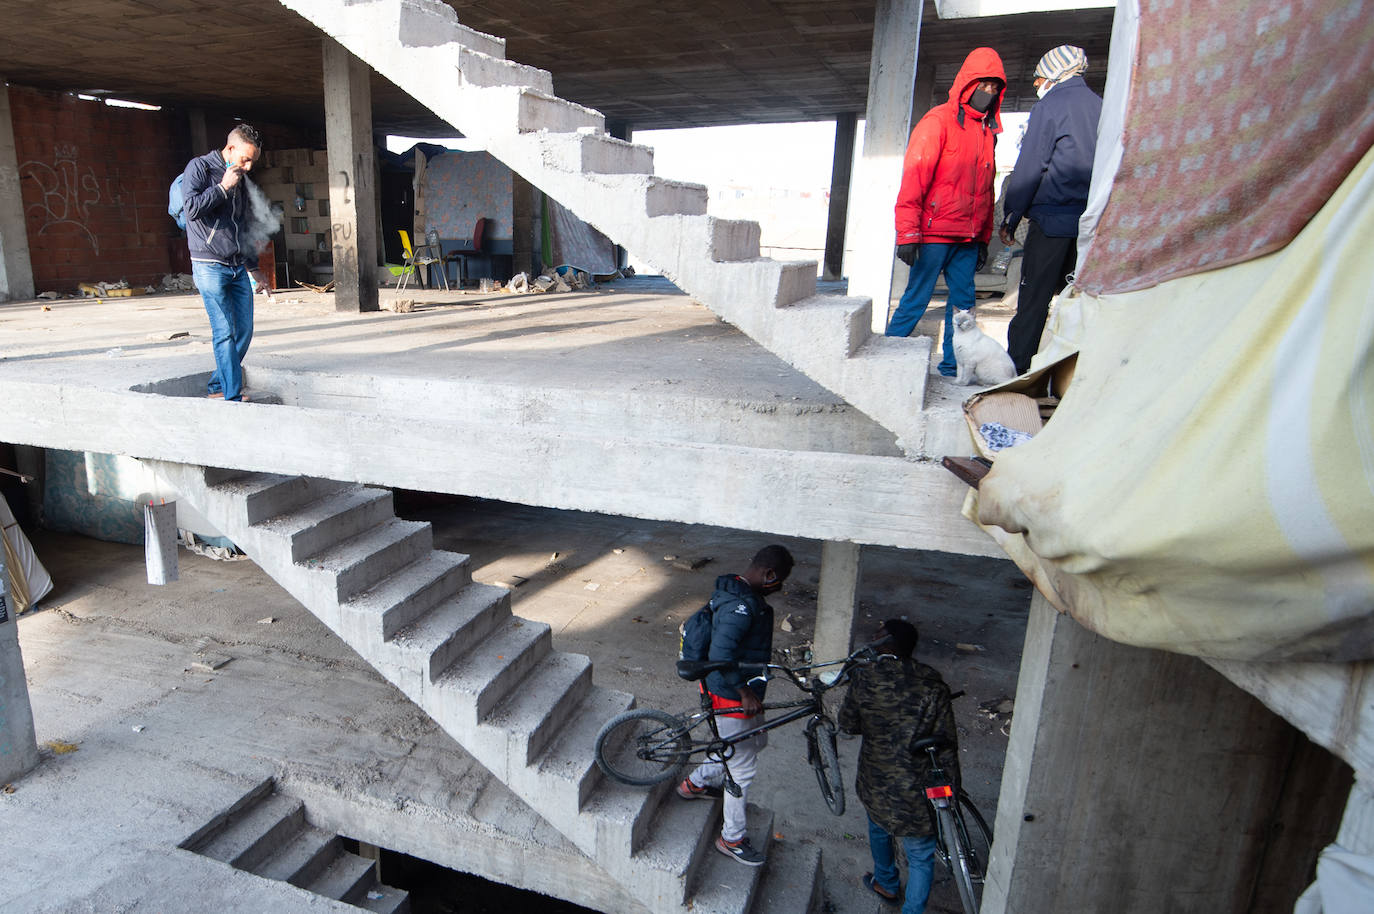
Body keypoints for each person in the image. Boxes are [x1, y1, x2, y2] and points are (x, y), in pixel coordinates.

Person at [887, 48, 1007, 379]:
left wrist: (983, 237)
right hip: (935, 233)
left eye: (995, 89)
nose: (989, 93)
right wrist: (908, 233)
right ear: (967, 84)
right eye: (983, 86)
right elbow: (915, 177)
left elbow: (985, 192)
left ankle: (953, 365)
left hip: (967, 239)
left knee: (964, 306)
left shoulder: (987, 133)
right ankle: (886, 358)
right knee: (916, 298)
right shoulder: (937, 121)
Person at [676, 544, 795, 867]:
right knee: (741, 767)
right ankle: (732, 839)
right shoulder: (741, 607)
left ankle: (695, 783)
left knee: (755, 740)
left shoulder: (739, 593)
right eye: (780, 579)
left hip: (736, 688)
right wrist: (744, 691)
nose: (780, 586)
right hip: (728, 692)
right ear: (769, 574)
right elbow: (721, 655)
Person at [838, 619, 958, 914]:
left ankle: (887, 883)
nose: (872, 641)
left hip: (876, 780)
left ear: (887, 645)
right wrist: (952, 787)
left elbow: (848, 724)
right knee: (920, 855)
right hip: (919, 786)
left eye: (877, 637)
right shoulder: (932, 682)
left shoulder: (866, 677)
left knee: (879, 828)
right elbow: (946, 743)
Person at [999, 45, 1102, 374]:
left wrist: (1012, 215)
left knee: (1033, 302)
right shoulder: (1103, 107)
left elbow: (1031, 166)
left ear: (1057, 74)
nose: (1036, 84)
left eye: (1039, 77)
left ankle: (1016, 374)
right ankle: (1073, 377)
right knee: (1080, 305)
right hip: (1090, 226)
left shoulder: (1050, 106)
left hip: (1052, 223)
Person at [182, 124, 264, 402]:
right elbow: (191, 208)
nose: (249, 166)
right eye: (245, 159)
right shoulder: (200, 168)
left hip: (237, 265)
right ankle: (230, 394)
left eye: (252, 160)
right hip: (208, 264)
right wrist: (222, 187)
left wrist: (253, 267)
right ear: (230, 149)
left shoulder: (239, 176)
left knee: (244, 330)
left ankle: (218, 384)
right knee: (223, 331)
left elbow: (242, 225)